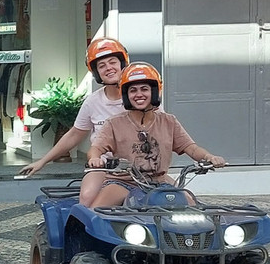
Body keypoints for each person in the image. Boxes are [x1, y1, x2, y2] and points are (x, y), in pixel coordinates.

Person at [85, 62, 225, 208]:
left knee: (191, 205)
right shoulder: (114, 123)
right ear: (125, 94)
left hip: (160, 181)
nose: (139, 94)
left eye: (144, 89)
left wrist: (209, 157)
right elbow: (96, 148)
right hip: (124, 182)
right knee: (96, 212)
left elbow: (191, 148)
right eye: (133, 90)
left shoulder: (168, 121)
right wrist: (95, 159)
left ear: (155, 91)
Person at [19, 37, 129, 206]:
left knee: (179, 197)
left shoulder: (140, 97)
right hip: (104, 167)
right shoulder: (93, 102)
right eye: (102, 65)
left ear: (122, 63)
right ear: (96, 72)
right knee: (86, 198)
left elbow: (165, 129)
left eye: (112, 62)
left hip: (140, 168)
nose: (108, 68)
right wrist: (42, 161)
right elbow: (75, 134)